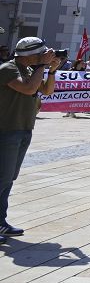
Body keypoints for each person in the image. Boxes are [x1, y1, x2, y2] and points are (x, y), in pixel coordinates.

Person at [0, 37, 60, 239]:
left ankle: (0, 221)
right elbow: (28, 89)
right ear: (29, 55)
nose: (44, 56)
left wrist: (51, 70)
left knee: (8, 179)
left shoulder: (29, 70)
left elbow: (47, 90)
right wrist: (42, 65)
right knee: (2, 178)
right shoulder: (8, 68)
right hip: (7, 130)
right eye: (40, 54)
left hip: (23, 128)